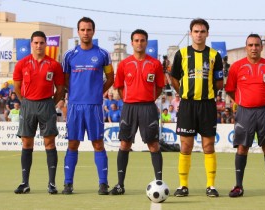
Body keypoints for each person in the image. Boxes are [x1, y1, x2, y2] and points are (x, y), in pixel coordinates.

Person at [225, 33, 265, 198]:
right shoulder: (237, 67)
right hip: (245, 111)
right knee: (242, 147)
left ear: (261, 47)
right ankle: (238, 186)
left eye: (257, 45)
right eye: (250, 45)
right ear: (246, 47)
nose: (254, 48)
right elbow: (230, 89)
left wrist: (263, 99)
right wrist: (243, 101)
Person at [170, 18, 223, 197]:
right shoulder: (182, 54)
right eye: (196, 31)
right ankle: (183, 185)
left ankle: (211, 186)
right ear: (190, 33)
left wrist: (209, 93)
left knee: (209, 145)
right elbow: (174, 78)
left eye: (202, 31)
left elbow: (219, 81)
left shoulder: (215, 55)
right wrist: (184, 92)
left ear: (207, 33)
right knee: (186, 146)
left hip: (207, 105)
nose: (199, 34)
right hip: (187, 105)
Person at [62, 17, 114, 195]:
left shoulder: (103, 54)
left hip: (94, 106)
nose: (86, 33)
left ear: (93, 31)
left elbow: (111, 78)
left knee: (98, 144)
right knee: (73, 144)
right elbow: (65, 81)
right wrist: (75, 94)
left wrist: (98, 92)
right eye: (82, 30)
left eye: (89, 30)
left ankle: (103, 184)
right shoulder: (69, 55)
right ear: (78, 32)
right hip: (75, 106)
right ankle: (68, 184)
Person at [109, 29, 165, 195]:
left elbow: (160, 87)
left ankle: (159, 182)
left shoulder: (155, 64)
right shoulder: (124, 64)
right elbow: (118, 86)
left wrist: (148, 98)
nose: (139, 43)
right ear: (132, 43)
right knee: (125, 144)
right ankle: (120, 185)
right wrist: (129, 99)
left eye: (142, 40)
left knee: (153, 144)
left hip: (148, 107)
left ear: (146, 43)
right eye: (136, 40)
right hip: (129, 108)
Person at [13, 31, 65, 194]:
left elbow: (61, 88)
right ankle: (25, 183)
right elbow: (16, 87)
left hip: (46, 105)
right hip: (28, 105)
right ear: (31, 44)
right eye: (36, 43)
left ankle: (52, 183)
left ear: (46, 44)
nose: (39, 45)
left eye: (42, 42)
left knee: (49, 143)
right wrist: (25, 102)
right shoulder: (22, 64)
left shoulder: (54, 65)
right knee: (27, 143)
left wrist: (51, 103)